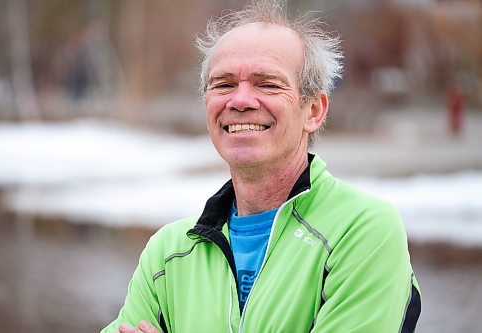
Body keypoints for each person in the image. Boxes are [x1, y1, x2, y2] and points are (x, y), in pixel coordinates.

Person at [102, 1, 421, 332]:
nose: (239, 101)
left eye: (267, 83)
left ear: (313, 109)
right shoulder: (168, 253)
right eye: (224, 84)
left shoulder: (361, 231)